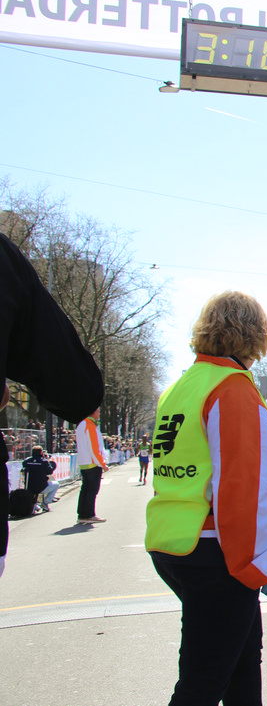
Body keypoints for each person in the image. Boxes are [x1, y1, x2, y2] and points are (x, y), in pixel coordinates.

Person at [146, 290, 267, 705]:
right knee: (203, 684)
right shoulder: (232, 388)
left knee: (242, 664)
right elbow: (241, 486)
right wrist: (264, 562)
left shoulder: (180, 388)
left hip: (175, 542)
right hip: (219, 552)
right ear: (257, 335)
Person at [0, 231, 104, 577]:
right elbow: (74, 387)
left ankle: (86, 512)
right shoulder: (5, 260)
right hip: (89, 461)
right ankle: (86, 513)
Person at [75, 407, 109, 525]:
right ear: (93, 412)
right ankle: (89, 515)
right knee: (92, 490)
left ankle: (82, 514)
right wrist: (102, 464)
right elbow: (94, 448)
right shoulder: (89, 425)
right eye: (98, 412)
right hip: (92, 463)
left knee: (85, 489)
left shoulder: (81, 425)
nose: (99, 414)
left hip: (84, 462)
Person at [21, 445, 59, 512]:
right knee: (56, 484)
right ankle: (46, 502)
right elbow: (50, 471)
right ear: (41, 452)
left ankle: (35, 505)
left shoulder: (26, 461)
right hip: (41, 487)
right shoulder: (44, 462)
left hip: (29, 487)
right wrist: (47, 460)